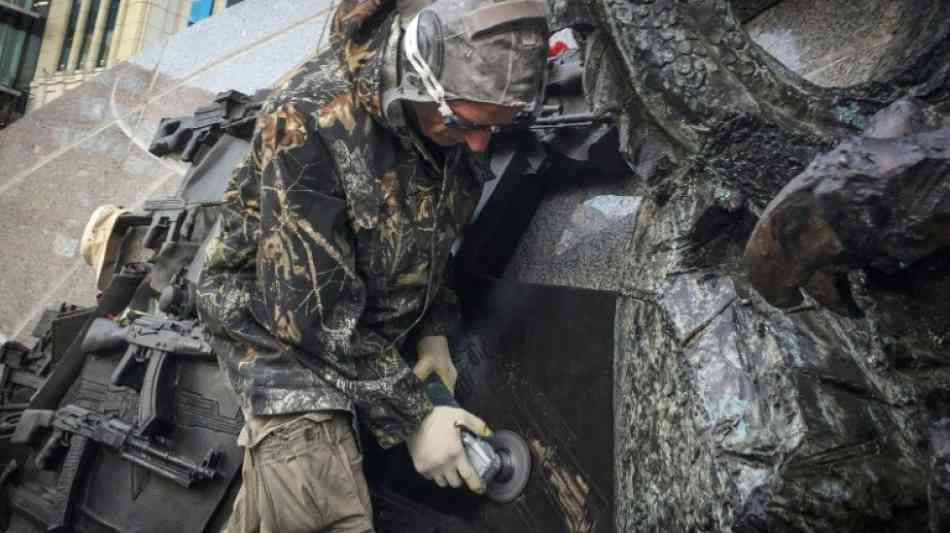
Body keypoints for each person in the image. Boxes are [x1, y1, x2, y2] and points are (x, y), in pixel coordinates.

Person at [195, 0, 549, 531]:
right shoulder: (306, 117)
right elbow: (309, 313)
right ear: (418, 76)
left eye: (492, 130)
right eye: (464, 123)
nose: (479, 145)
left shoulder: (454, 117)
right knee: (321, 499)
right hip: (277, 326)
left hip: (362, 318)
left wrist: (432, 330)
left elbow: (432, 238)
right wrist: (415, 417)